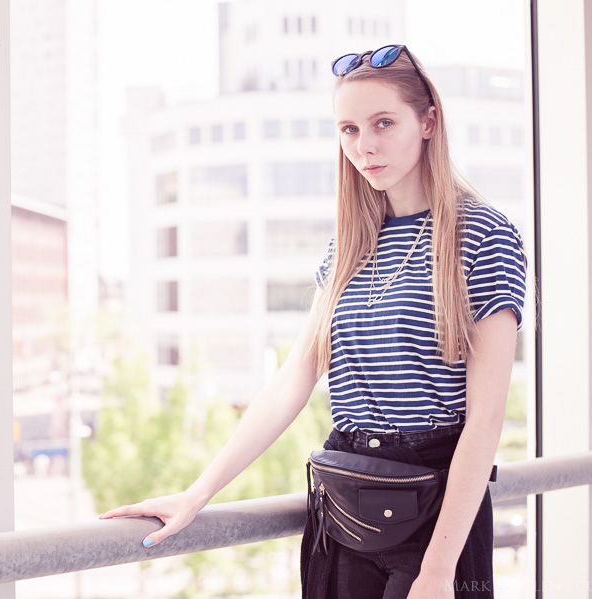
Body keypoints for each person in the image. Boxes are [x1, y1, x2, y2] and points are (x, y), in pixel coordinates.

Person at [100, 44, 527, 598]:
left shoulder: (483, 235)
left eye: (382, 123)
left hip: (438, 512)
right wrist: (196, 494)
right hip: (345, 499)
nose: (364, 146)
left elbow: (486, 422)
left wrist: (439, 571)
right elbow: (291, 381)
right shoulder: (348, 246)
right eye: (349, 129)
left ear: (428, 121)